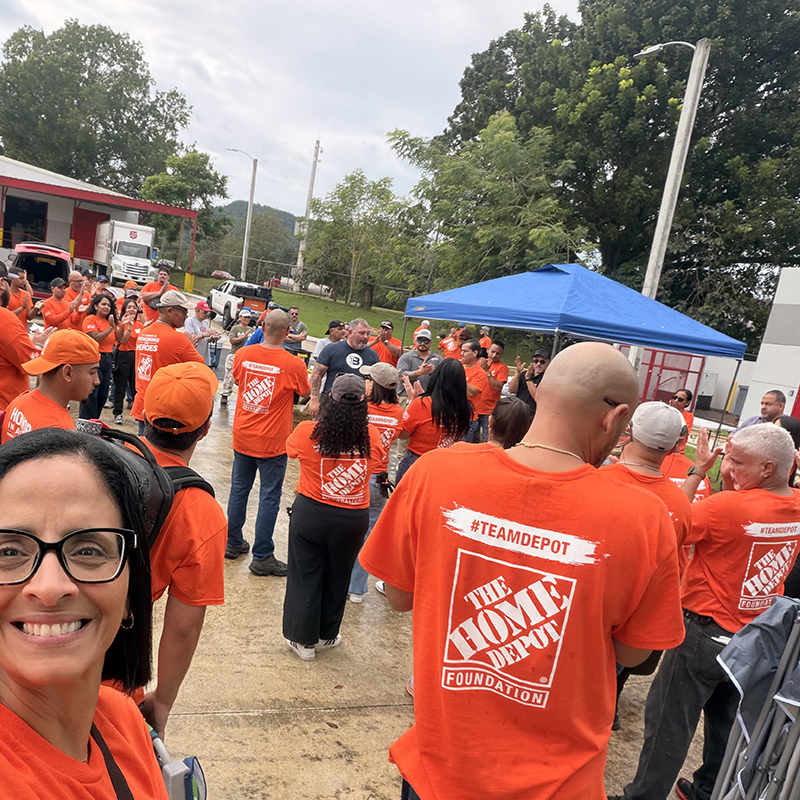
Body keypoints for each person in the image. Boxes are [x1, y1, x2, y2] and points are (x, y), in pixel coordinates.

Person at [360, 342, 685, 800]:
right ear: (615, 418)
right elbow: (635, 656)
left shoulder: (436, 473)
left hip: (441, 769)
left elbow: (398, 596)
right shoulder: (645, 519)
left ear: (541, 393)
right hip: (558, 784)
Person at [616, 424, 800, 800]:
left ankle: (643, 796)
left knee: (669, 725)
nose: (727, 468)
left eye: (736, 461)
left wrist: (698, 471)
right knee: (727, 723)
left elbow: (671, 521)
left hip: (704, 633)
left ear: (766, 468)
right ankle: (708, 790)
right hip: (758, 639)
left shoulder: (726, 507)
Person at [0, 428, 166, 799]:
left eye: (88, 550)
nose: (48, 587)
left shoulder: (124, 721)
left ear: (129, 590)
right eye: (9, 552)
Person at [139, 361, 227, 738]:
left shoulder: (95, 457)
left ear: (142, 414)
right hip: (105, 667)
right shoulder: (201, 511)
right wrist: (162, 701)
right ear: (206, 430)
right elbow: (183, 628)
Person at [600, 401, 693, 730]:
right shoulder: (680, 502)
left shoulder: (599, 478)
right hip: (631, 620)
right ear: (674, 445)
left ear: (629, 432)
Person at [282, 374, 384, 660]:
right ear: (363, 406)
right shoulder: (372, 436)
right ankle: (327, 634)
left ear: (329, 400)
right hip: (351, 519)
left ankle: (303, 641)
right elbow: (375, 466)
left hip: (311, 513)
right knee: (338, 577)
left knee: (305, 575)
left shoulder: (306, 432)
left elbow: (290, 451)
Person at [225, 310, 311, 576]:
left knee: (239, 489)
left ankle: (232, 541)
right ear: (287, 332)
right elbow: (305, 393)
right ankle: (262, 555)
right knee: (269, 496)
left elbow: (240, 381)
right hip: (273, 441)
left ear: (262, 326)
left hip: (243, 434)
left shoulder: (243, 355)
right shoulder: (293, 364)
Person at [348, 363, 404, 603]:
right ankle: (357, 588)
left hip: (357, 475)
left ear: (375, 385)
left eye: (368, 379)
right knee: (369, 535)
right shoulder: (398, 412)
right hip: (379, 479)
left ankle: (340, 581)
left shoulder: (364, 409)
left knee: (347, 533)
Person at [1, 330, 100, 443]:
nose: (97, 381)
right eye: (92, 372)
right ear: (68, 373)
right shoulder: (59, 433)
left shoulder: (18, 402)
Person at [132, 290, 204, 435]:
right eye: (183, 311)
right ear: (170, 311)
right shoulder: (178, 339)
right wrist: (189, 344)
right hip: (164, 409)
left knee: (143, 452)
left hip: (143, 403)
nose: (186, 316)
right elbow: (200, 367)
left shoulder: (144, 333)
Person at [395, 359, 473, 483]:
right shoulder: (466, 408)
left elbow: (402, 434)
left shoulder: (422, 405)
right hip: (445, 464)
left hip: (418, 462)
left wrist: (413, 402)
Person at [309, 318, 379, 418]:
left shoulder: (373, 355)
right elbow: (317, 374)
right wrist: (314, 399)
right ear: (350, 332)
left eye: (368, 334)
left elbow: (376, 383)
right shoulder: (332, 349)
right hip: (330, 404)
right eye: (361, 333)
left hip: (357, 408)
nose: (365, 337)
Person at [0, 272, 39, 411]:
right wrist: (35, 345)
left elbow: (29, 315)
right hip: (6, 408)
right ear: (1, 283)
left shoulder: (24, 294)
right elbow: (31, 364)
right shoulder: (4, 318)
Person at [80, 294, 121, 420]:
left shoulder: (109, 321)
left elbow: (119, 339)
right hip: (94, 358)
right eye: (103, 304)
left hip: (108, 359)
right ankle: (85, 421)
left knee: (103, 395)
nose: (107, 307)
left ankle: (95, 420)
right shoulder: (90, 319)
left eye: (109, 305)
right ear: (96, 306)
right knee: (91, 393)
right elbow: (96, 337)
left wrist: (122, 325)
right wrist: (111, 328)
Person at [112, 298, 143, 425]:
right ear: (124, 309)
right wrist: (128, 325)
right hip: (123, 355)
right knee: (120, 386)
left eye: (134, 307)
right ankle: (118, 413)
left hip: (135, 356)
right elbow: (122, 340)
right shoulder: (120, 323)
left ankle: (137, 414)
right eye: (129, 307)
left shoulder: (140, 325)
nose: (131, 309)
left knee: (136, 387)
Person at [396, 329, 442, 402]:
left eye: (426, 341)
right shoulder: (406, 357)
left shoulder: (438, 359)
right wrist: (418, 372)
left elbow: (443, 379)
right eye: (420, 340)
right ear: (416, 341)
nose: (422, 343)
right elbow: (400, 376)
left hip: (429, 398)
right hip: (406, 396)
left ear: (430, 343)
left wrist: (432, 373)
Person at [220, 307, 253, 406]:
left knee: (245, 377)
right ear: (240, 317)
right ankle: (225, 394)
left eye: (248, 318)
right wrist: (243, 336)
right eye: (245, 317)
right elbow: (232, 340)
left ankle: (243, 396)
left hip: (246, 355)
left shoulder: (251, 329)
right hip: (235, 353)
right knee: (229, 375)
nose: (247, 319)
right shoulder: (235, 328)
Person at [478, 340, 510, 441]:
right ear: (487, 350)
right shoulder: (479, 363)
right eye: (492, 352)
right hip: (474, 407)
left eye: (498, 353)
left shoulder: (502, 367)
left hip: (489, 409)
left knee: (487, 439)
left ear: (502, 354)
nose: (494, 355)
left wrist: (487, 371)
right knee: (471, 439)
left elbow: (498, 387)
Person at [460, 339, 491, 442]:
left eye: (465, 351)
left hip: (468, 419)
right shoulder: (459, 367)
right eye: (461, 350)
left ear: (475, 353)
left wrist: (458, 375)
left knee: (463, 450)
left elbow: (471, 392)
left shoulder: (480, 373)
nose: (461, 353)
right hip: (452, 415)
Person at [508, 347, 550, 414]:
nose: (538, 364)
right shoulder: (524, 374)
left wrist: (528, 378)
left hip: (532, 414)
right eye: (536, 361)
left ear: (548, 363)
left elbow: (538, 398)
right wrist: (518, 372)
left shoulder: (547, 379)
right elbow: (511, 390)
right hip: (517, 411)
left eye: (542, 362)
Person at [183, 300, 220, 365]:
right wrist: (204, 335)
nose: (206, 315)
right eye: (204, 312)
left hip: (204, 355)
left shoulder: (206, 322)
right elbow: (189, 338)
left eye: (207, 313)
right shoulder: (190, 321)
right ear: (197, 310)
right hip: (193, 354)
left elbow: (206, 339)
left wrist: (213, 338)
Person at [669, 388, 694, 454]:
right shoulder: (667, 411)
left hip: (677, 451)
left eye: (680, 399)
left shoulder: (688, 416)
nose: (676, 401)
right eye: (675, 397)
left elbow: (682, 432)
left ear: (687, 403)